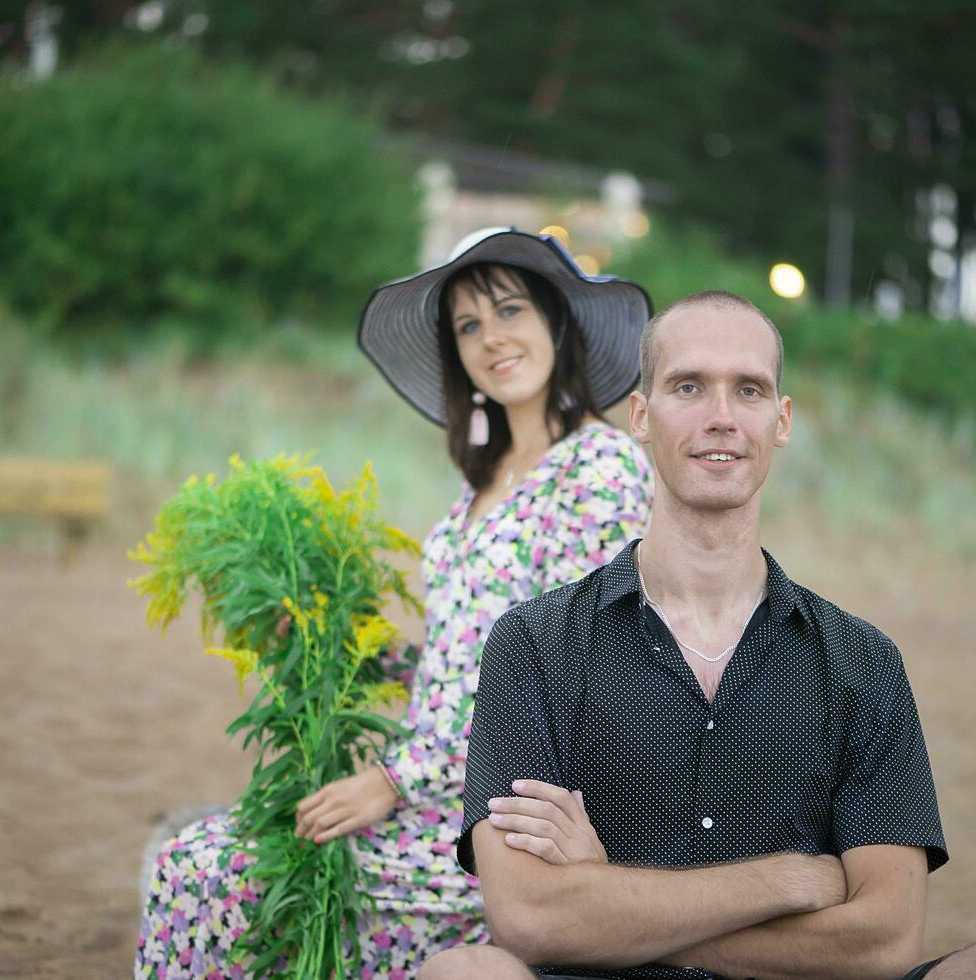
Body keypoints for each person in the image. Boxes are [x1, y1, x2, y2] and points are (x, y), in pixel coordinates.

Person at [422, 291, 976, 980]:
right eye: (688, 387)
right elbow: (531, 918)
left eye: (747, 390)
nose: (720, 418)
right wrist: (784, 881)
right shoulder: (534, 645)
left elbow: (886, 939)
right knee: (460, 975)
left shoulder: (861, 662)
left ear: (780, 421)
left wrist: (612, 901)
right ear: (641, 415)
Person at [135, 229, 655, 979]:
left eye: (510, 311)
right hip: (436, 788)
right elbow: (464, 657)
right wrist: (344, 649)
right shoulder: (483, 484)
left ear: (557, 322)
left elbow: (564, 670)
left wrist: (393, 781)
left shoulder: (598, 469)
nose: (491, 339)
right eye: (468, 326)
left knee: (204, 870)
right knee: (206, 863)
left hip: (506, 818)